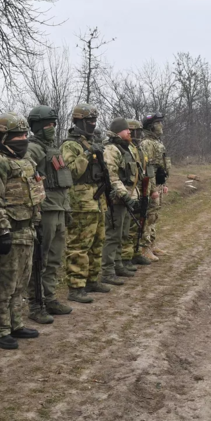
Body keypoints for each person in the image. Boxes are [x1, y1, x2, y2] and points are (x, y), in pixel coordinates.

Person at [0, 113, 44, 349]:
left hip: (27, 229)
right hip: (9, 230)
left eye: (25, 134)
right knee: (3, 284)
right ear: (4, 136)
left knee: (21, 282)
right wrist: (1, 231)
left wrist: (37, 222)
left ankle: (15, 323)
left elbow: (35, 194)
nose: (23, 139)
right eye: (17, 135)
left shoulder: (26, 160)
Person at [24, 105, 75, 324]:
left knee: (54, 259)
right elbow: (28, 181)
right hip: (44, 210)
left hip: (59, 208)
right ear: (36, 126)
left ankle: (50, 297)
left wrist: (68, 208)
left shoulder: (54, 148)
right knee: (39, 260)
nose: (52, 128)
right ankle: (36, 305)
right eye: (47, 124)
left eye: (54, 124)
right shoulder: (32, 149)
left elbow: (63, 182)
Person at [60, 104, 110, 304]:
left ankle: (91, 280)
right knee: (79, 245)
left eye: (94, 120)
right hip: (81, 201)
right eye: (89, 120)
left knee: (97, 242)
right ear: (79, 121)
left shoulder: (92, 142)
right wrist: (88, 154)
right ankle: (76, 286)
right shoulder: (70, 145)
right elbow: (71, 172)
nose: (93, 124)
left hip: (97, 199)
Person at [100, 118, 140, 286]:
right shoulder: (111, 149)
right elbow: (112, 175)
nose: (129, 132)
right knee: (112, 235)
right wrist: (125, 195)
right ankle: (108, 271)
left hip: (124, 198)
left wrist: (133, 196)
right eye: (126, 130)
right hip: (115, 199)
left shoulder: (125, 148)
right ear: (118, 132)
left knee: (121, 234)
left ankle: (118, 265)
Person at [139, 112, 171, 261]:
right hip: (150, 185)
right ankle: (144, 248)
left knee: (154, 216)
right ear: (151, 126)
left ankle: (152, 244)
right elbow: (147, 169)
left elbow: (161, 167)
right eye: (158, 123)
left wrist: (163, 183)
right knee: (148, 216)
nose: (161, 126)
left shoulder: (157, 142)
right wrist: (151, 189)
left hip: (157, 183)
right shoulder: (146, 143)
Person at [123, 119, 151, 268]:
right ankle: (126, 256)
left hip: (141, 189)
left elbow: (145, 170)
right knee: (131, 225)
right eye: (135, 131)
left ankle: (135, 252)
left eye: (139, 131)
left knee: (140, 222)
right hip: (131, 190)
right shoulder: (127, 149)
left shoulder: (139, 148)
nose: (138, 134)